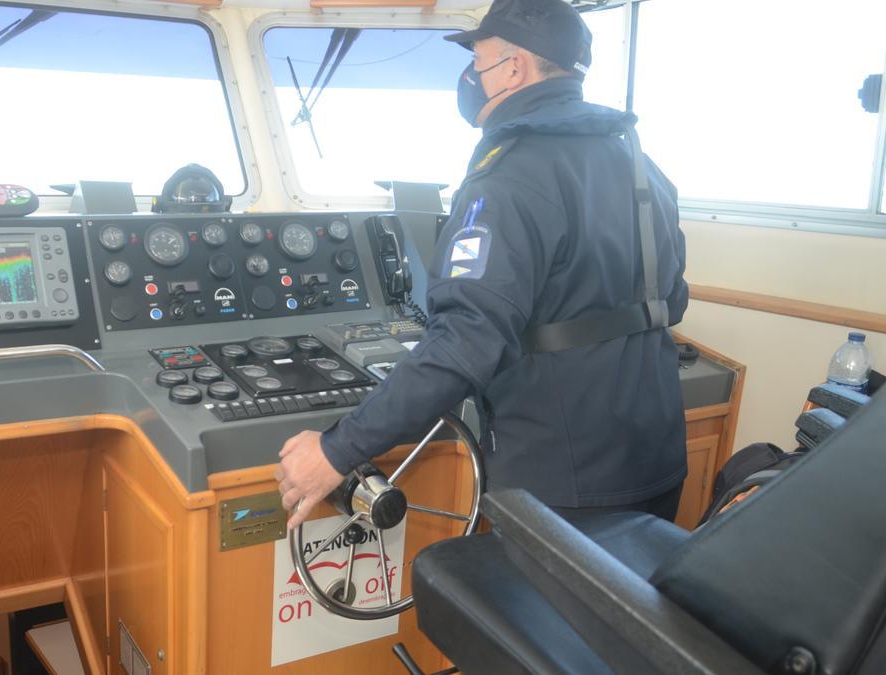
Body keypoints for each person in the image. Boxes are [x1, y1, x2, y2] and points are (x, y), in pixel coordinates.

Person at [275, 0, 689, 528]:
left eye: (480, 59)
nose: (471, 75)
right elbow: (672, 300)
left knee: (543, 614)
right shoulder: (641, 167)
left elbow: (466, 339)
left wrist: (337, 450)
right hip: (658, 457)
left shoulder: (510, 173)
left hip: (565, 482)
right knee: (626, 612)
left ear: (513, 68)